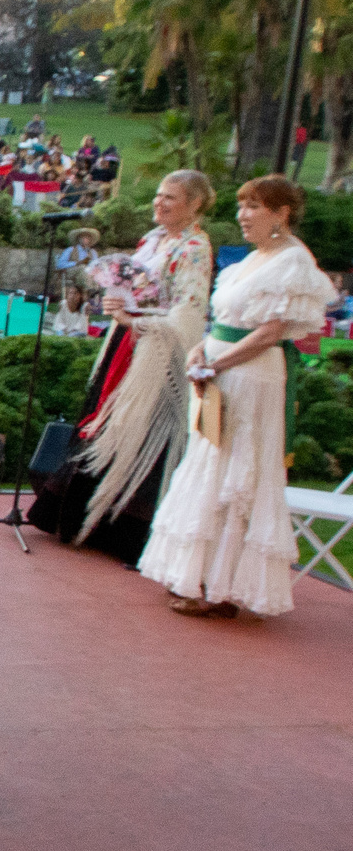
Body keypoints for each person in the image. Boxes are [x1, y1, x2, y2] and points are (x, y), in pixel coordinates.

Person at [139, 176, 337, 618]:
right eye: (241, 206)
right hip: (221, 371)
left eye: (254, 207)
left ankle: (221, 587)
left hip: (251, 377)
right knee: (210, 466)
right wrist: (200, 350)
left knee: (238, 475)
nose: (242, 216)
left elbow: (270, 332)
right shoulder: (252, 259)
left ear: (281, 213)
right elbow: (226, 321)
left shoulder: (294, 261)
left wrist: (217, 364)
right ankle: (204, 577)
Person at [26, 170, 215, 564]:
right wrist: (118, 307)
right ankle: (81, 518)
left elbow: (189, 311)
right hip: (124, 343)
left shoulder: (194, 248)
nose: (159, 202)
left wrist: (138, 320)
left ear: (195, 204)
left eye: (170, 197)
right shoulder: (154, 240)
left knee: (139, 431)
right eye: (159, 195)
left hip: (153, 350)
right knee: (104, 422)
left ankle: (127, 533)